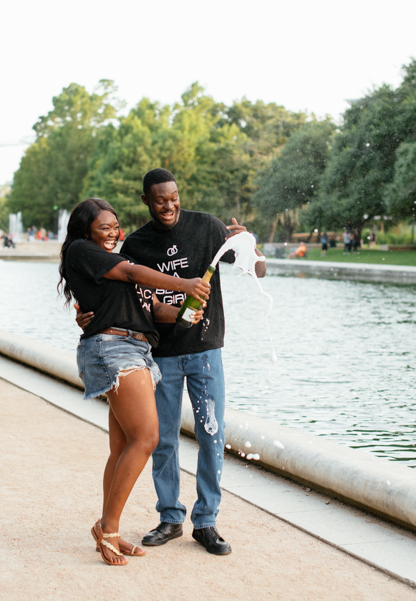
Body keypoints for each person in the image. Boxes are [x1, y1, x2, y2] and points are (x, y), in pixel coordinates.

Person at [77, 168, 266, 556]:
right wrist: (87, 315)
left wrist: (251, 248)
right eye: (160, 199)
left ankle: (207, 521)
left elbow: (257, 271)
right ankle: (170, 516)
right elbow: (120, 291)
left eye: (174, 197)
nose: (169, 205)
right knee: (160, 438)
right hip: (159, 354)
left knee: (211, 434)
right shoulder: (137, 244)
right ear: (146, 200)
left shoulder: (208, 228)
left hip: (205, 349)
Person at [60, 197, 210, 566]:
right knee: (147, 437)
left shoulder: (111, 260)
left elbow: (152, 308)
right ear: (85, 231)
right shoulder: (83, 251)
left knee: (124, 444)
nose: (112, 233)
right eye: (104, 227)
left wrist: (185, 312)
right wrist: (185, 283)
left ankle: (106, 527)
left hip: (135, 349)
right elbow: (130, 274)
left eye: (115, 227)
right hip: (114, 349)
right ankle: (108, 531)